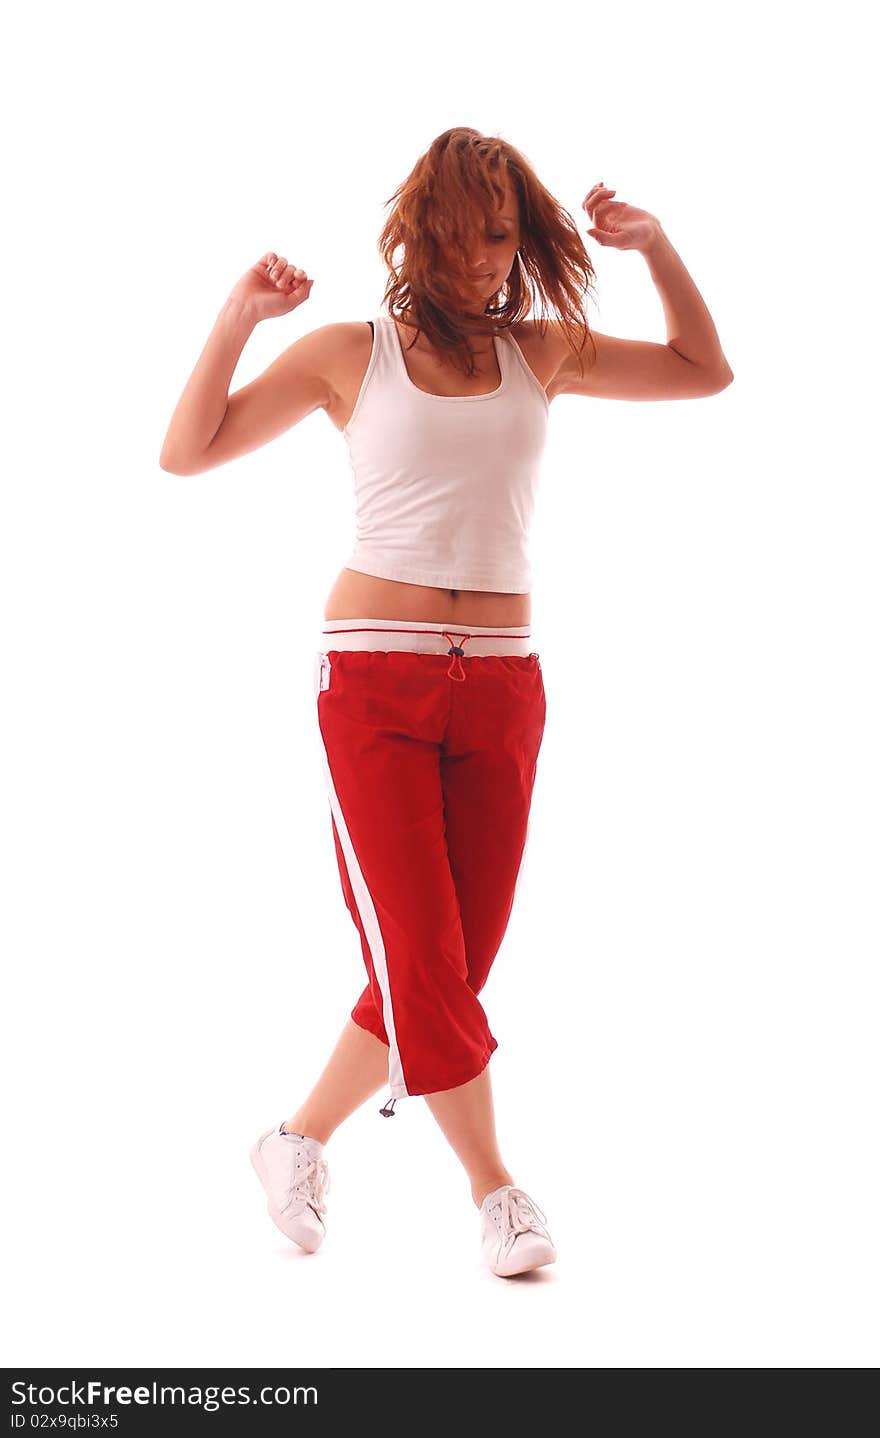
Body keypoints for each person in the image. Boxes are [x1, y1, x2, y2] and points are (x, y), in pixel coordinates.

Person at [160, 127, 733, 1279]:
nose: (478, 262)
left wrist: (659, 245)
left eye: (499, 237)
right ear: (418, 236)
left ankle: (293, 1141)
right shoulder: (348, 352)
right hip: (374, 677)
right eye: (458, 239)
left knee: (447, 963)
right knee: (421, 949)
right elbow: (189, 451)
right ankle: (499, 1192)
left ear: (520, 236)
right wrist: (235, 317)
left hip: (505, 688)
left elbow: (699, 369)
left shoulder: (542, 351)